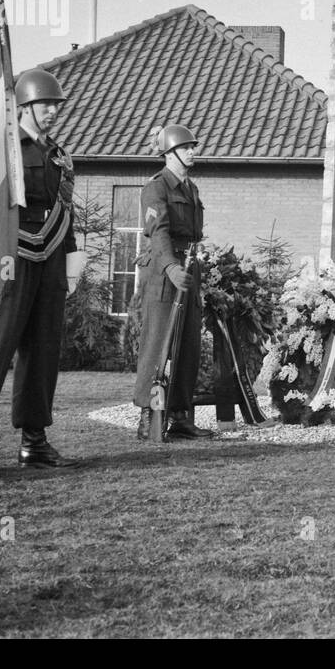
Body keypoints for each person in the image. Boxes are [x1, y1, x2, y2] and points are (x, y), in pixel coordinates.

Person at [0, 68, 85, 477]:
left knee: (43, 353)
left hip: (52, 258)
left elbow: (66, 211)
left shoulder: (59, 155)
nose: (52, 112)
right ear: (23, 105)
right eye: (45, 104)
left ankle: (34, 443)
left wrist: (71, 261)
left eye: (56, 105)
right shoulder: (2, 151)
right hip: (12, 256)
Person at [133, 124, 214, 441]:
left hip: (191, 271)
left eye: (193, 146)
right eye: (186, 147)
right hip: (167, 274)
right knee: (157, 347)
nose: (193, 151)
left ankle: (180, 417)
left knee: (188, 347)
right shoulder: (156, 188)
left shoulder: (191, 189)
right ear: (169, 152)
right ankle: (148, 417)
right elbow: (159, 232)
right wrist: (169, 266)